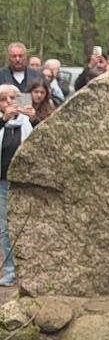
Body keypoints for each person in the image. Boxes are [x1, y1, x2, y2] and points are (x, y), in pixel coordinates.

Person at [0, 85, 33, 286]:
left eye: (13, 98)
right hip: (3, 183)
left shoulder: (27, 121)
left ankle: (30, 270)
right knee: (4, 228)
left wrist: (34, 119)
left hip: (24, 183)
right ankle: (11, 270)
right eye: (4, 99)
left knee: (27, 225)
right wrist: (4, 120)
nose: (9, 102)